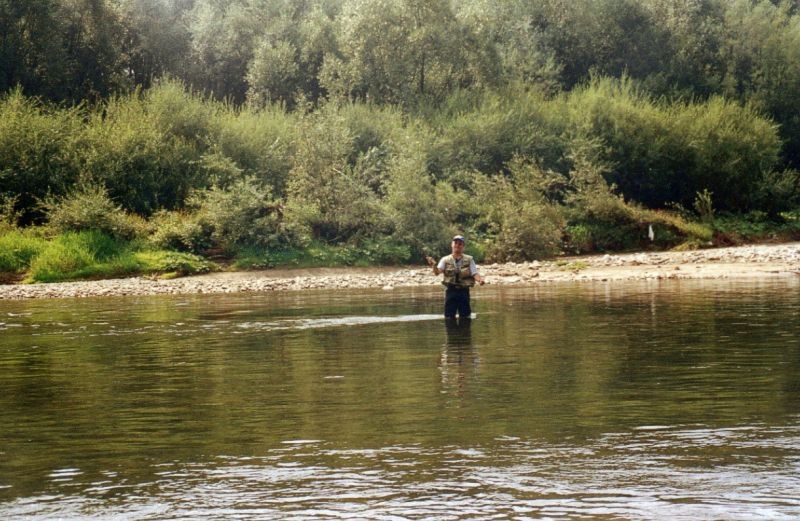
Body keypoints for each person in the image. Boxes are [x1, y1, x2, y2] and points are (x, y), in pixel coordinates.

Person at [426, 235, 485, 318]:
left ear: (463, 246)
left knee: (465, 316)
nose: (457, 245)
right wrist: (434, 265)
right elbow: (437, 272)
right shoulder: (445, 259)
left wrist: (480, 280)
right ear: (452, 244)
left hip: (464, 291)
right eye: (456, 243)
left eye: (460, 244)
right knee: (449, 317)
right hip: (450, 290)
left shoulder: (469, 259)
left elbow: (474, 273)